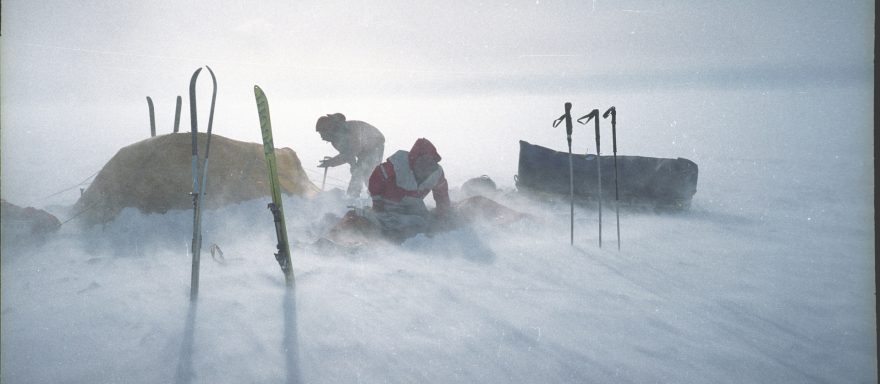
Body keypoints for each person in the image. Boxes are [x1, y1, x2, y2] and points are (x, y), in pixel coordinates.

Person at [367, 138, 451, 241]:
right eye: (423, 159)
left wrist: (443, 215)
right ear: (414, 159)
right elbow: (376, 179)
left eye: (430, 160)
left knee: (423, 222)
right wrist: (377, 201)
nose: (426, 164)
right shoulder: (397, 165)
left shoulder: (436, 173)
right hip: (388, 203)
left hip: (414, 203)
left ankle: (420, 239)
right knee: (385, 222)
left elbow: (442, 195)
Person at [316, 113, 385, 197]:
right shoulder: (335, 141)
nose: (321, 137)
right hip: (363, 149)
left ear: (328, 129)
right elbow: (348, 156)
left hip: (375, 144)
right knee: (359, 172)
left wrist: (332, 162)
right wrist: (352, 165)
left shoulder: (349, 131)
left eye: (322, 133)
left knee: (366, 172)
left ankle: (373, 196)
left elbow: (350, 153)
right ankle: (359, 196)